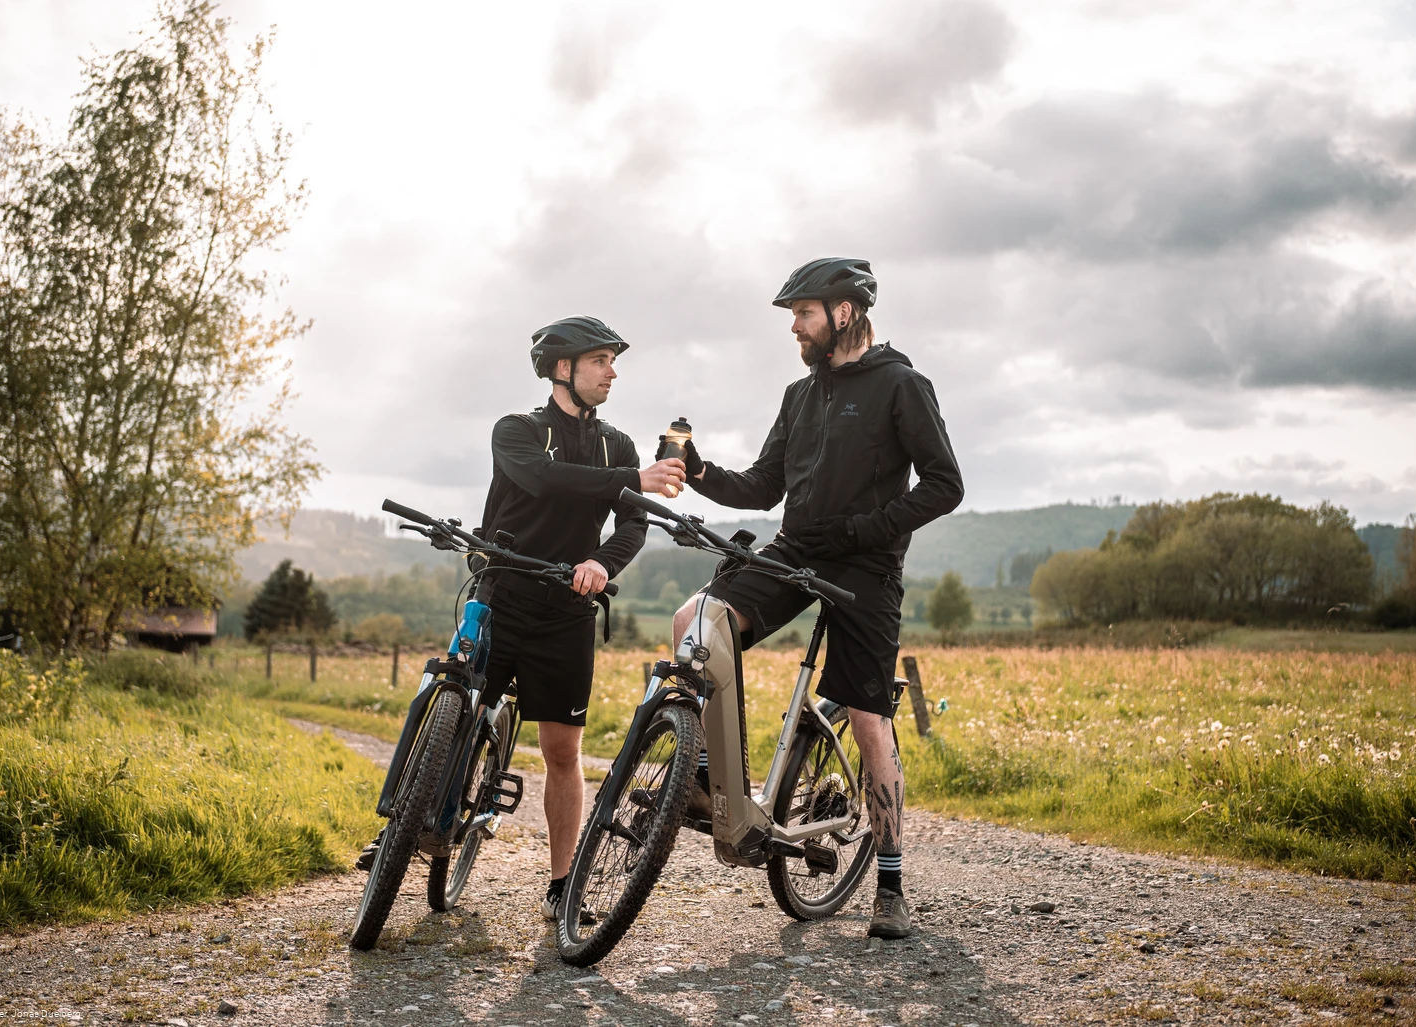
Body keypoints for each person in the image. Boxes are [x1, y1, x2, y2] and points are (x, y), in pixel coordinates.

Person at [666, 258, 963, 939]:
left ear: (844, 312)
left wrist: (864, 530)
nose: (795, 327)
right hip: (795, 550)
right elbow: (763, 485)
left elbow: (945, 484)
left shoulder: (901, 385)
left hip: (866, 567)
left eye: (803, 313)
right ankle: (707, 779)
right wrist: (700, 468)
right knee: (695, 621)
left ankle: (890, 884)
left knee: (868, 719)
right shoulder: (799, 395)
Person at [358, 317, 688, 920]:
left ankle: (562, 886)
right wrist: (630, 481)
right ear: (563, 368)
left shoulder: (618, 445)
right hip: (502, 592)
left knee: (562, 751)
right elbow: (542, 478)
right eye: (600, 361)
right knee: (453, 702)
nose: (612, 373)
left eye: (613, 362)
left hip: (567, 609)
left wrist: (601, 560)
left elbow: (634, 524)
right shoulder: (517, 430)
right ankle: (400, 823)